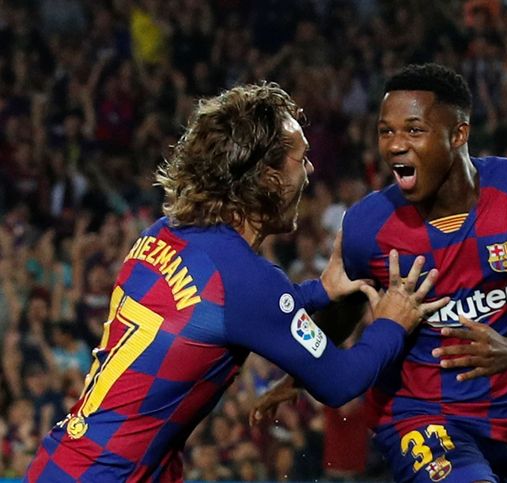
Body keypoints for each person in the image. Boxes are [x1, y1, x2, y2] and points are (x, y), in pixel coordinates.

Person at [24, 82, 448, 482]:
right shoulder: (244, 279)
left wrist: (318, 291)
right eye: (301, 158)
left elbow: (211, 314)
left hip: (63, 462)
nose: (311, 169)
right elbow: (339, 382)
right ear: (268, 177)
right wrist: (393, 322)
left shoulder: (164, 232)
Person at [253, 64, 507, 482]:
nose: (394, 145)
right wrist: (301, 372)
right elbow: (349, 307)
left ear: (458, 134)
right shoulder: (368, 225)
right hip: (417, 414)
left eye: (413, 130)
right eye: (385, 131)